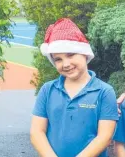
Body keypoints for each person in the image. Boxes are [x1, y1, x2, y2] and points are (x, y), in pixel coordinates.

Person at [30, 18, 118, 157]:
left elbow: (104, 137)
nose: (65, 64)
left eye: (70, 55)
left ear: (85, 54)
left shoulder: (104, 91)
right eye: (58, 59)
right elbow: (37, 132)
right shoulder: (47, 90)